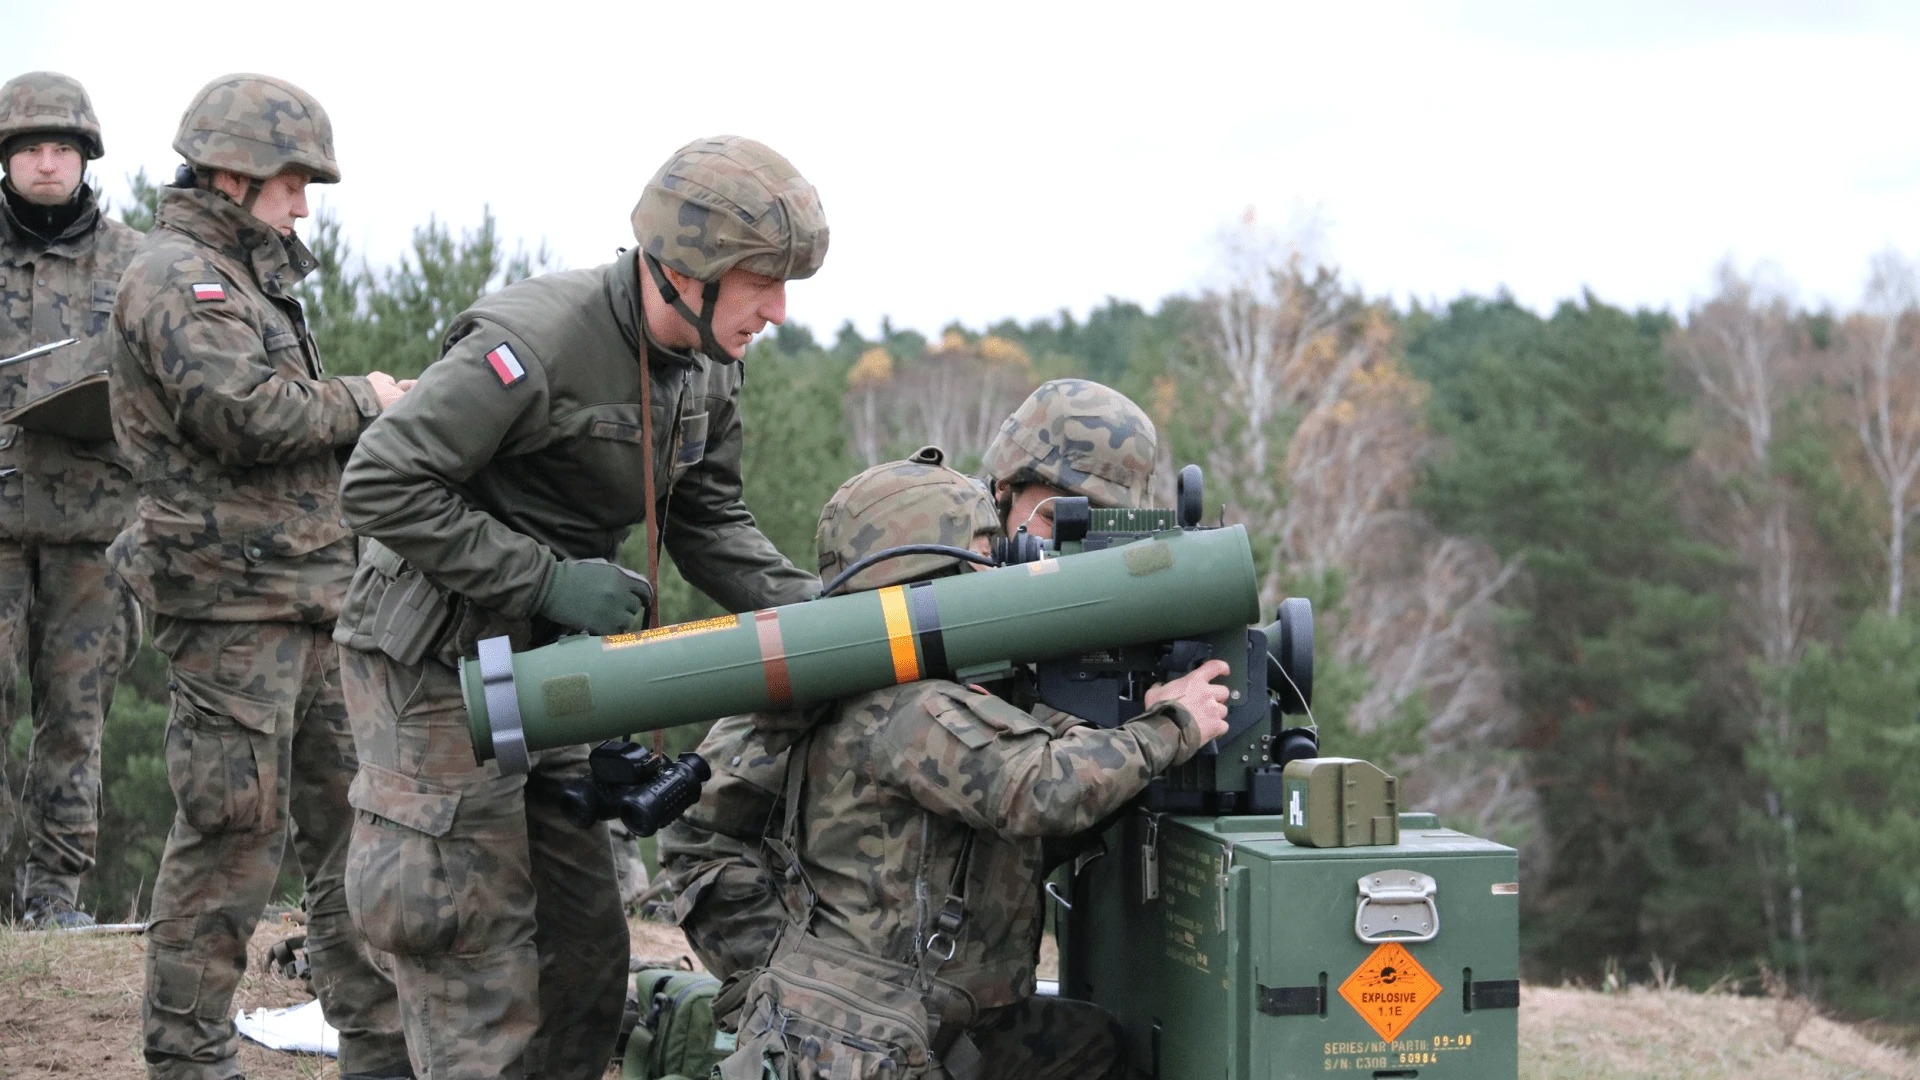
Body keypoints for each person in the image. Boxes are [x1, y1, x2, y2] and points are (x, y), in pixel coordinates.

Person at [332, 134, 827, 1080]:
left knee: (587, 964)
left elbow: (707, 515)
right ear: (687, 270)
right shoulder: (535, 342)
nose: (778, 309)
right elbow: (382, 481)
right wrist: (549, 579)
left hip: (553, 672)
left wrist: (815, 610)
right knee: (467, 955)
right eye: (763, 281)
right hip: (431, 667)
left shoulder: (711, 360)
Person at [711, 452, 1229, 1080]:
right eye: (982, 552)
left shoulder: (881, 689)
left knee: (1090, 1046)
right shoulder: (911, 710)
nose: (998, 567)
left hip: (919, 1011)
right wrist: (1171, 725)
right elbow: (1039, 789)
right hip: (869, 1032)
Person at [657, 378, 1159, 985]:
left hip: (959, 1007)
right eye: (1063, 514)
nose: (1073, 545)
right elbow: (700, 830)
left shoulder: (1056, 617)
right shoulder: (912, 595)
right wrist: (803, 989)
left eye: (1102, 527)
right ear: (1005, 490)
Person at [108, 73, 411, 1080]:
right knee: (233, 844)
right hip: (233, 607)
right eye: (291, 183)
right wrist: (364, 396)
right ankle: (188, 1060)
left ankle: (377, 1046)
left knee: (353, 834)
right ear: (233, 175)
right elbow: (243, 415)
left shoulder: (246, 279)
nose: (302, 205)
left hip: (313, 598)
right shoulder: (177, 276)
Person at [0, 70, 141, 929]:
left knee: (75, 724)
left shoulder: (135, 261)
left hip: (95, 536)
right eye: (30, 149)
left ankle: (52, 898)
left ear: (84, 158)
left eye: (62, 149)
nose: (47, 164)